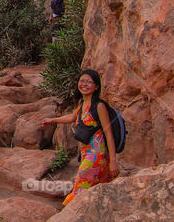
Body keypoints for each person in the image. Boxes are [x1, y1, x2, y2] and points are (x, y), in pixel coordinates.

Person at [41, 69, 119, 205]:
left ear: (96, 87)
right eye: (82, 81)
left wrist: (113, 161)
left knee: (79, 188)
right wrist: (52, 120)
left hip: (97, 155)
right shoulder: (83, 104)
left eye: (89, 82)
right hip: (85, 154)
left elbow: (108, 133)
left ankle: (67, 215)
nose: (84, 84)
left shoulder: (99, 106)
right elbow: (72, 117)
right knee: (95, 190)